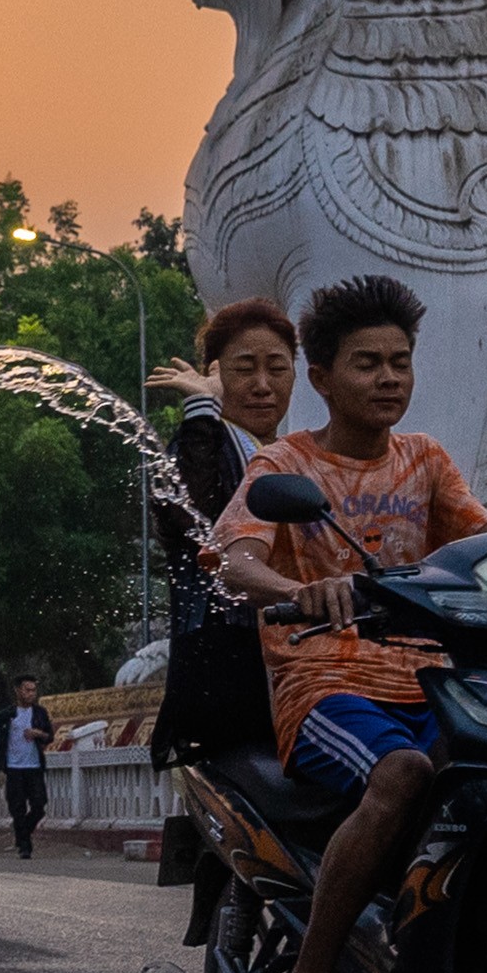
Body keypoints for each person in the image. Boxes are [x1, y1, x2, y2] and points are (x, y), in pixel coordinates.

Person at [213, 274, 487, 973]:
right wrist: (299, 591)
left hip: (432, 681)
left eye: (399, 363)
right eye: (367, 363)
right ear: (323, 378)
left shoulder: (425, 460)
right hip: (327, 686)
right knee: (404, 773)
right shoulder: (286, 463)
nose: (388, 380)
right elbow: (236, 562)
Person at [146, 299, 297, 763]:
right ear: (214, 374)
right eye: (244, 369)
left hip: (293, 662)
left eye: (277, 368)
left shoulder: (294, 454)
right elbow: (187, 515)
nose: (262, 385)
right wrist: (200, 408)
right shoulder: (204, 441)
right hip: (225, 671)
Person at [0, 676, 58, 858]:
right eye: (27, 690)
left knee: (39, 805)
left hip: (34, 766)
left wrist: (38, 733)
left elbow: (50, 736)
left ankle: (22, 832)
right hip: (14, 767)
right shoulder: (6, 715)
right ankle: (25, 846)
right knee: (17, 808)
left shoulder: (39, 713)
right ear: (18, 690)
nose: (31, 694)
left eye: (33, 690)